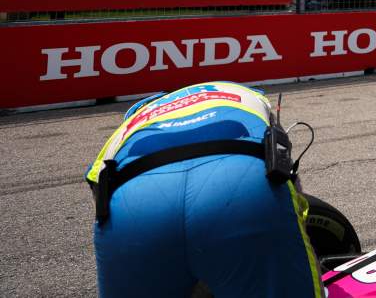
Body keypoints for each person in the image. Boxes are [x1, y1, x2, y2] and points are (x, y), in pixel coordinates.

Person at [87, 82, 323, 298]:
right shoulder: (247, 96)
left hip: (134, 206)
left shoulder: (130, 123)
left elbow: (98, 191)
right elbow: (285, 173)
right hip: (241, 186)